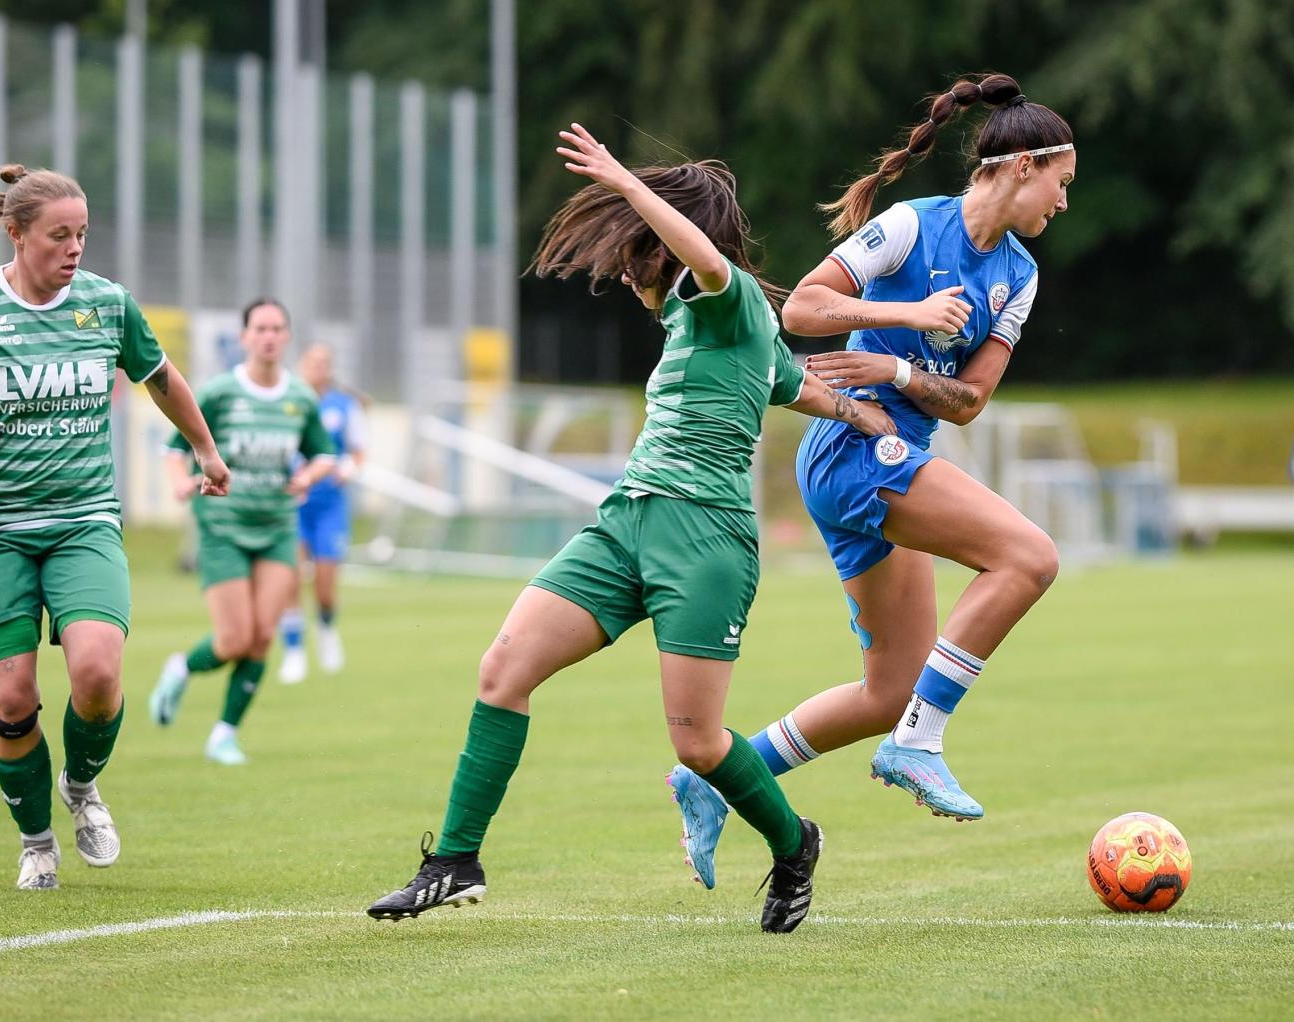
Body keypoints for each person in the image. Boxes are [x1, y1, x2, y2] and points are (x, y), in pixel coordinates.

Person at [365, 123, 894, 934]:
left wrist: (622, 179)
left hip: (706, 542)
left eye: (633, 249)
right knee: (503, 670)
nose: (621, 266)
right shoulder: (704, 326)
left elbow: (713, 264)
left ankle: (795, 845)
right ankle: (455, 862)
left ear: (668, 243)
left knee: (698, 745)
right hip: (625, 525)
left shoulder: (730, 297)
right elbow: (800, 388)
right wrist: (865, 415)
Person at [669, 74, 1075, 888]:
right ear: (1022, 165)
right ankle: (921, 743)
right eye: (1061, 185)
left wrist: (895, 366)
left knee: (889, 687)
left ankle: (715, 780)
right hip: (852, 448)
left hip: (897, 451)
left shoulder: (1019, 277)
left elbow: (970, 404)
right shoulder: (907, 228)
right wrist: (909, 319)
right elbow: (802, 311)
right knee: (1029, 559)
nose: (1063, 204)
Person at [0, 164, 229, 889]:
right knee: (11, 700)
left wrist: (204, 447)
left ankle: (81, 788)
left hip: (83, 522)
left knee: (97, 676)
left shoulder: (106, 304)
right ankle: (37, 838)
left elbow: (160, 375)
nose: (74, 249)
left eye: (83, 235)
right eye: (58, 236)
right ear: (15, 234)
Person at [148, 299, 335, 764]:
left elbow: (324, 455)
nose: (269, 336)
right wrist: (178, 486)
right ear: (245, 337)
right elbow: (175, 448)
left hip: (277, 528)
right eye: (260, 328)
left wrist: (307, 477)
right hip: (224, 527)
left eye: (277, 328)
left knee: (262, 637)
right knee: (233, 639)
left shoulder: (300, 399)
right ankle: (181, 667)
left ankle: (223, 735)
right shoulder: (218, 393)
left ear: (286, 337)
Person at [276, 342, 368, 684]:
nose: (318, 368)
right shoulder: (288, 401)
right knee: (290, 577)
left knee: (326, 586)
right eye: (312, 362)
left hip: (330, 505)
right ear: (301, 366)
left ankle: (327, 630)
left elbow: (359, 453)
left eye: (324, 363)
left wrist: (347, 469)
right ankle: (294, 651)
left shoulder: (344, 406)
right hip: (294, 503)